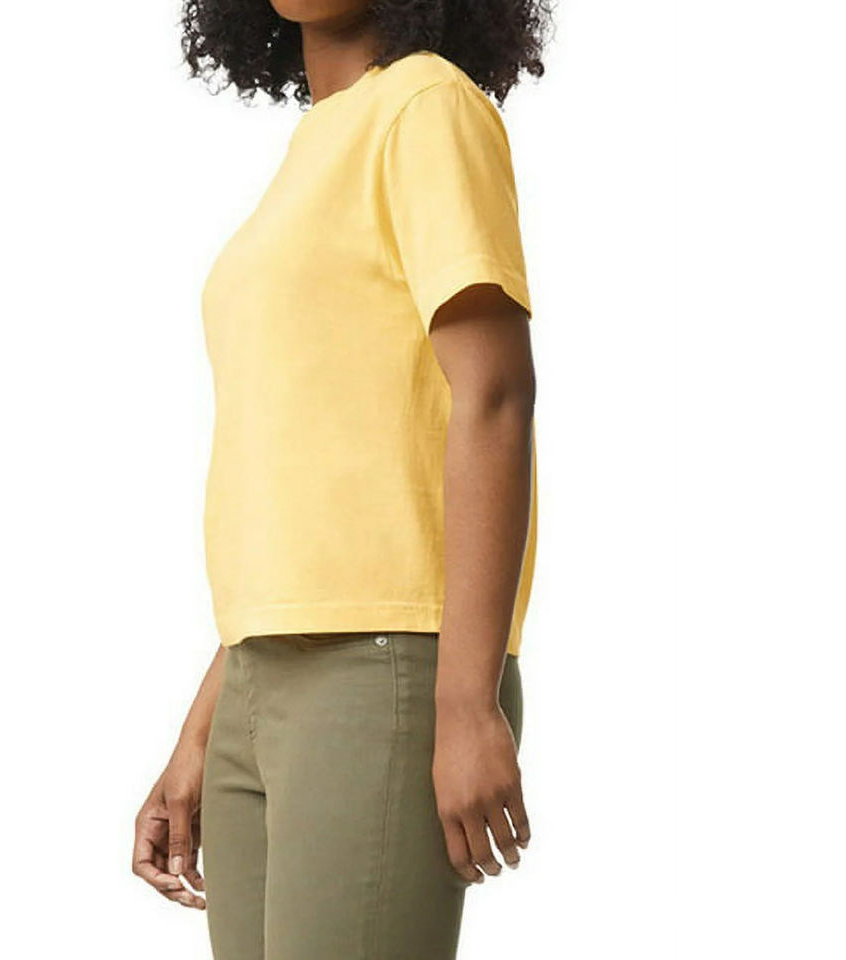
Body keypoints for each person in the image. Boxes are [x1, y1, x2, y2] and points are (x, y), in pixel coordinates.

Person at [133, 2, 550, 957]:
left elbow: (495, 393)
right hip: (258, 678)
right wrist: (202, 731)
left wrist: (468, 701)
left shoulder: (426, 106)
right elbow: (316, 486)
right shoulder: (318, 147)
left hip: (382, 673)